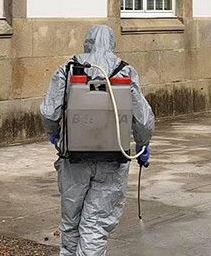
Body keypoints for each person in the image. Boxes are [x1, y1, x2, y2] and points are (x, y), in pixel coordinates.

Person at [40, 24, 155, 256]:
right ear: (113, 44)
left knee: (71, 221)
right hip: (113, 158)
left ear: (87, 42)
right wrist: (142, 144)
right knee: (96, 224)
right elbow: (143, 119)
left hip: (73, 158)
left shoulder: (69, 68)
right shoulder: (125, 71)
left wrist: (54, 133)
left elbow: (49, 112)